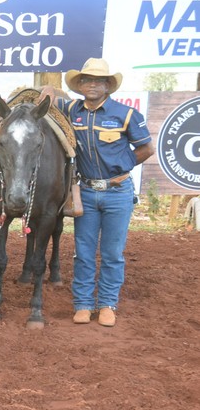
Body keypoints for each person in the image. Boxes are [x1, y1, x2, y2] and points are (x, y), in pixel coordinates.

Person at [40, 58, 152, 327]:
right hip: (86, 192)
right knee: (84, 252)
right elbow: (49, 100)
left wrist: (122, 168)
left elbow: (146, 149)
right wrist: (47, 91)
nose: (92, 84)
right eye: (86, 80)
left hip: (117, 192)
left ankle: (107, 304)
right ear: (79, 85)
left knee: (112, 253)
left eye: (98, 80)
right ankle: (82, 304)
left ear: (108, 86)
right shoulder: (70, 110)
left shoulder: (125, 115)